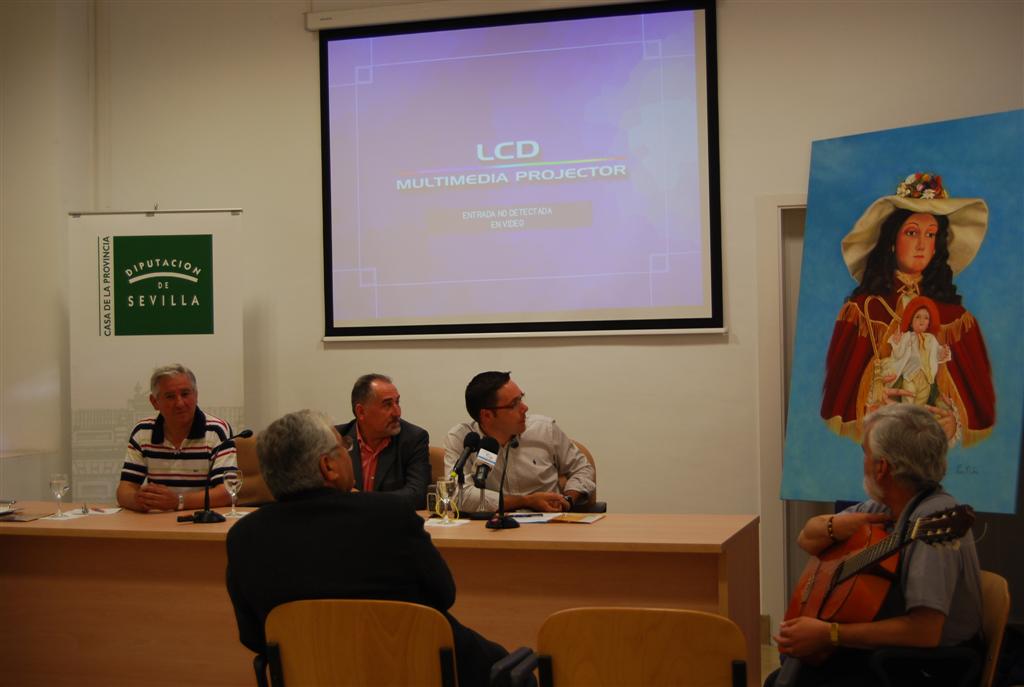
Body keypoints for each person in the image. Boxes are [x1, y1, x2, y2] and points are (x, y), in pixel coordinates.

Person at [225, 409, 507, 687]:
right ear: (328, 467)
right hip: (412, 671)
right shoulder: (389, 516)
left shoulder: (244, 537)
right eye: (344, 447)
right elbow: (443, 594)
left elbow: (254, 637)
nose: (349, 454)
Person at [767, 404, 983, 687]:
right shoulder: (885, 506)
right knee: (783, 678)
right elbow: (806, 538)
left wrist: (830, 634)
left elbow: (925, 631)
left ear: (881, 467)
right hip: (885, 652)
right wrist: (834, 527)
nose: (863, 461)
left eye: (865, 452)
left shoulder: (933, 520)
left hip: (928, 665)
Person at [820, 173, 995, 447]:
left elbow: (978, 403)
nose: (922, 245)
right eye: (912, 233)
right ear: (892, 241)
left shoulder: (958, 320)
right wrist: (870, 409)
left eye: (931, 234)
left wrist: (953, 422)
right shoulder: (863, 311)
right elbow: (838, 398)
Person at [444, 371, 596, 513]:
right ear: (487, 415)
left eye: (521, 398)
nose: (525, 408)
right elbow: (457, 494)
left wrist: (567, 499)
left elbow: (582, 469)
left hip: (549, 523)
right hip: (492, 526)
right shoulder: (463, 439)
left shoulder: (545, 430)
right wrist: (526, 501)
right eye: (514, 404)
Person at [116, 363, 236, 513]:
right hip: (157, 521)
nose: (179, 403)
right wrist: (139, 500)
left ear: (196, 395)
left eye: (185, 394)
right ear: (155, 402)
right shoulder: (143, 431)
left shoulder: (216, 430)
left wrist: (178, 501)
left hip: (201, 520)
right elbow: (124, 490)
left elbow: (227, 493)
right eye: (170, 397)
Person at [334, 373, 429, 509]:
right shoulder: (336, 439)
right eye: (387, 405)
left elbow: (417, 495)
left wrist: (362, 499)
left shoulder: (414, 439)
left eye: (397, 402)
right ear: (361, 412)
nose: (397, 413)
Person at [882, 296, 951, 407]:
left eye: (926, 318)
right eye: (918, 317)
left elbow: (935, 355)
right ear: (911, 322)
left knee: (920, 405)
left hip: (926, 379)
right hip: (910, 377)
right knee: (908, 402)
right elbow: (898, 355)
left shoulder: (931, 339)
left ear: (929, 323)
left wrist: (942, 353)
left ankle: (917, 416)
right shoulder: (907, 337)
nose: (922, 321)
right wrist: (896, 343)